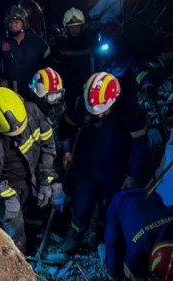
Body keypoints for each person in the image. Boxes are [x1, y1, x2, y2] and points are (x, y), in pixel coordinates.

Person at [60, 72, 148, 252]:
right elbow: (66, 125)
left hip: (114, 170)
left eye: (103, 111)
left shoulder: (131, 112)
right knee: (82, 205)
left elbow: (140, 146)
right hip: (85, 165)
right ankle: (74, 238)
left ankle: (102, 241)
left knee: (108, 208)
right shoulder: (82, 105)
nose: (98, 116)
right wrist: (67, 149)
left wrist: (133, 174)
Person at [0, 87, 57, 252]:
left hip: (33, 179)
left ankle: (31, 247)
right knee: (14, 228)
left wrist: (45, 179)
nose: (17, 137)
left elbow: (48, 145)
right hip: (4, 185)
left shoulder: (31, 110)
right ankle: (18, 258)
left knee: (35, 216)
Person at [0, 5, 49, 98]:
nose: (13, 25)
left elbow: (49, 62)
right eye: (10, 22)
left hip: (35, 92)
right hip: (11, 93)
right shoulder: (1, 42)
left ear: (24, 23)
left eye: (16, 22)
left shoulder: (36, 42)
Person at [50, 7, 97, 108]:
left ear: (82, 26)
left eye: (77, 26)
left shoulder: (91, 41)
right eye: (71, 27)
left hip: (89, 85)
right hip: (69, 88)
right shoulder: (61, 44)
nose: (74, 29)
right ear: (66, 28)